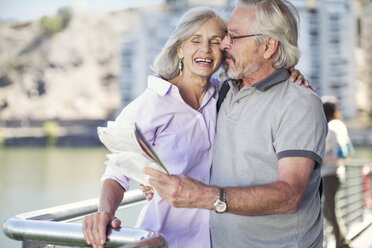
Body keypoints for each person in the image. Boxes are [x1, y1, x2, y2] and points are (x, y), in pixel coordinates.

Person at [83, 5, 307, 248]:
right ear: (179, 48)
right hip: (165, 238)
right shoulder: (151, 104)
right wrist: (105, 212)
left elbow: (264, 76)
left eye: (214, 41)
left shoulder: (225, 95)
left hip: (221, 240)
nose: (205, 50)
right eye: (195, 40)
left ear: (224, 50)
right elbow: (117, 173)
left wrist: (289, 73)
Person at [144, 0, 328, 247]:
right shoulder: (222, 93)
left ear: (269, 46)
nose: (224, 43)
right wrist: (148, 177)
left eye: (235, 36)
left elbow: (290, 195)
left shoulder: (299, 103)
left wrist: (204, 196)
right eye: (226, 35)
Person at [322, 96, 353, 248]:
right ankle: (342, 240)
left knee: (330, 211)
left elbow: (336, 154)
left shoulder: (331, 128)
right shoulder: (341, 125)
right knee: (329, 210)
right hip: (339, 173)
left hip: (329, 175)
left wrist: (320, 159)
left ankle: (342, 243)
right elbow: (348, 152)